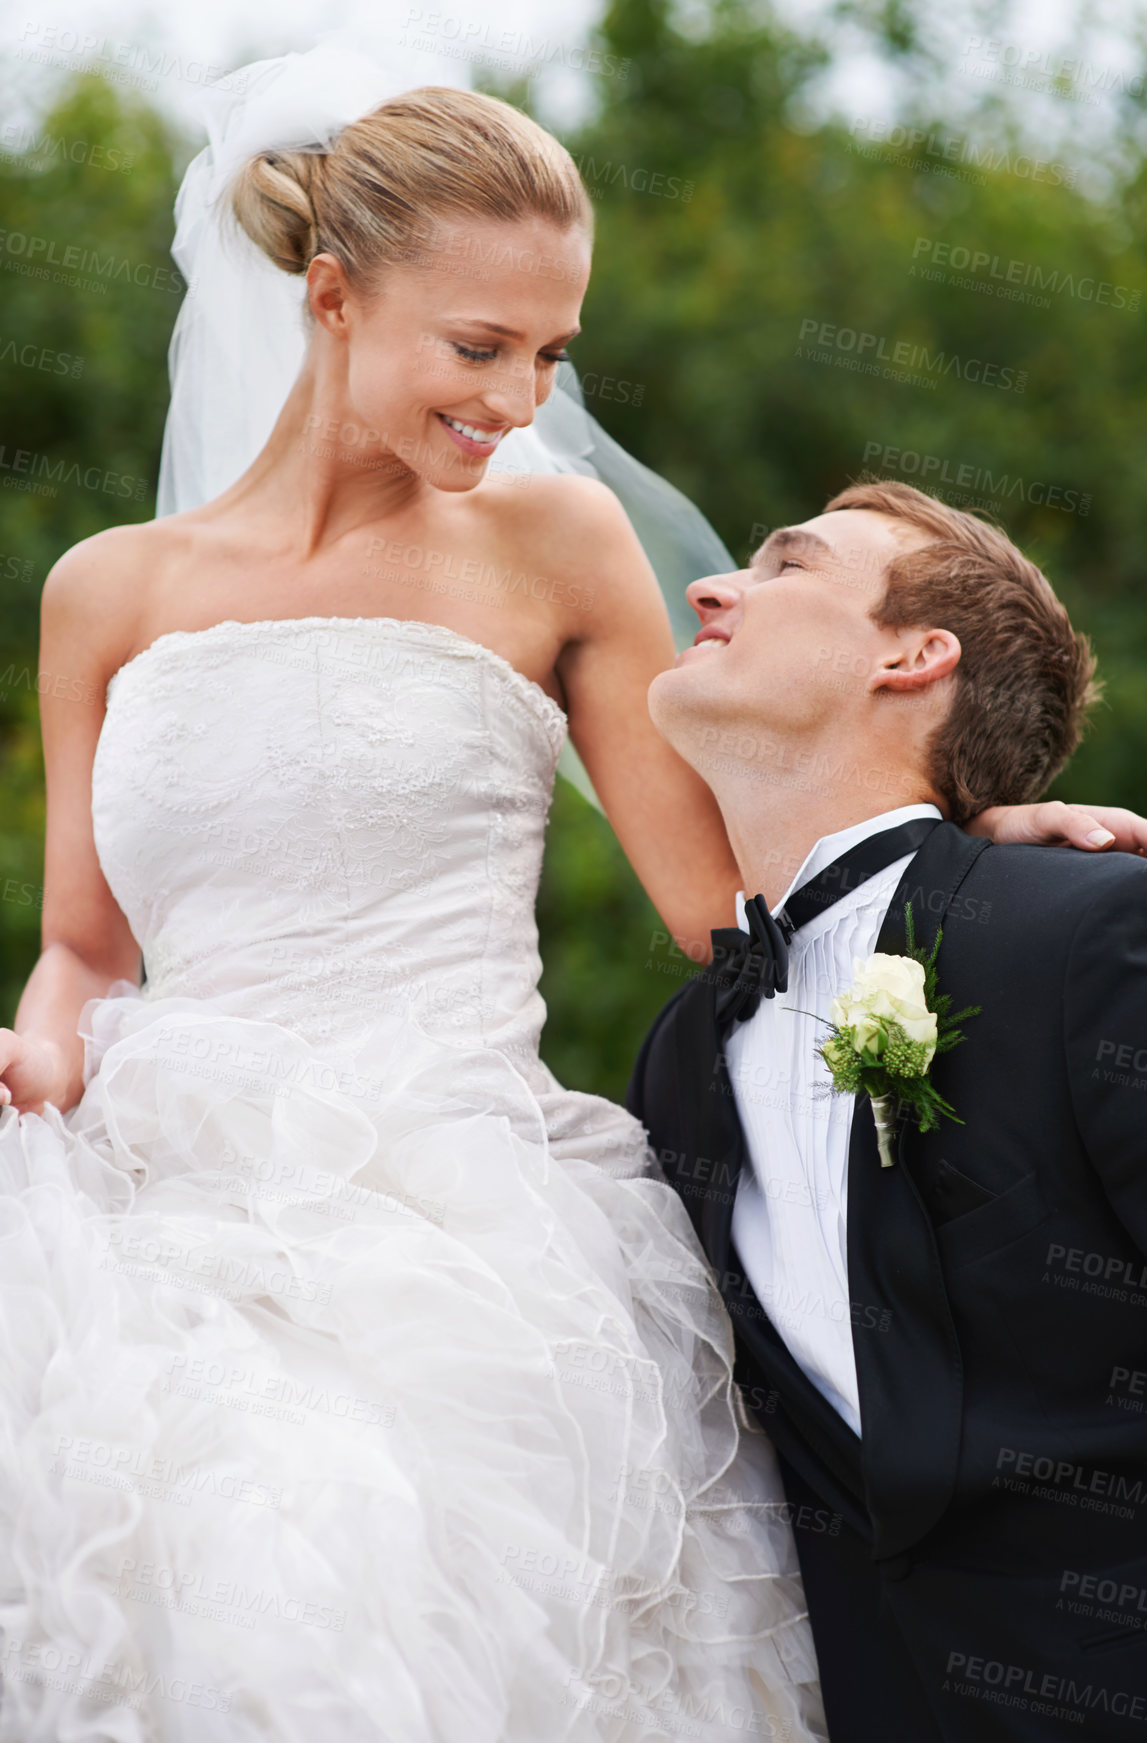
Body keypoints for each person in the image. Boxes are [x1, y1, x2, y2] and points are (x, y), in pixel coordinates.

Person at [0, 51, 1136, 1742]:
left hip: (463, 1225)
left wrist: (971, 845)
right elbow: (83, 948)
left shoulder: (558, 546)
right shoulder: (105, 590)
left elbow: (724, 910)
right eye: (481, 347)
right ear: (327, 296)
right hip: (162, 1206)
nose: (522, 398)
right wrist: (37, 1055)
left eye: (552, 351)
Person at [628, 479, 1147, 1742]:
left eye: (785, 567)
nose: (709, 588)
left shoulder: (1086, 932)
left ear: (915, 656)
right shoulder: (679, 1057)